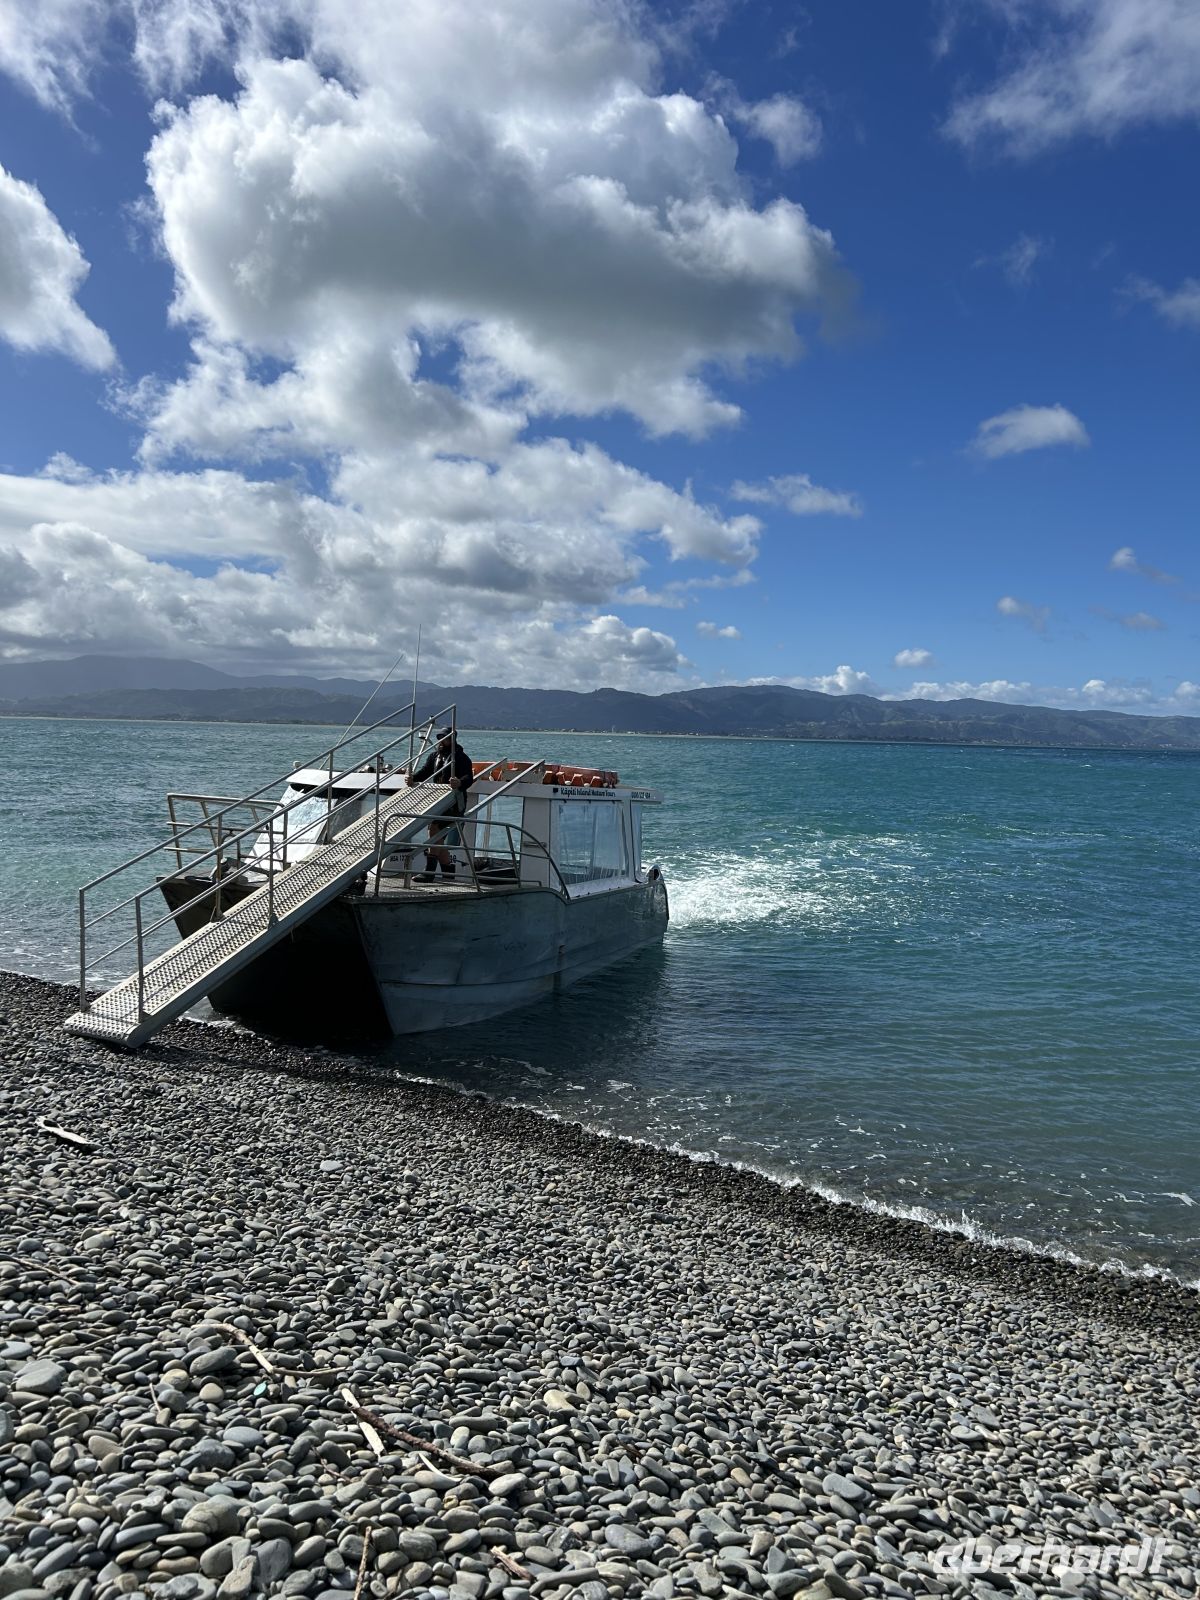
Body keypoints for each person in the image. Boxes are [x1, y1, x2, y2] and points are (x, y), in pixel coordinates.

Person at [407, 728, 473, 880]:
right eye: (441, 737)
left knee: (434, 829)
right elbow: (425, 772)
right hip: (437, 800)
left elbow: (469, 777)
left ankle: (429, 872)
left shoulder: (462, 758)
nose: (443, 740)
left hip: (454, 803)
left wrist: (459, 782)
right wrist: (413, 778)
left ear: (453, 739)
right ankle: (448, 871)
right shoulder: (434, 756)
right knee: (436, 834)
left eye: (446, 738)